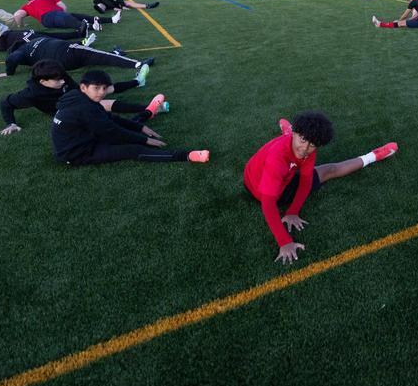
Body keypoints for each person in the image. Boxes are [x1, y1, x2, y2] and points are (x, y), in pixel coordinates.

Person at [242, 111, 398, 263]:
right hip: (261, 189)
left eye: (312, 144)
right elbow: (268, 204)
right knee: (329, 170)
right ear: (296, 134)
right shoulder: (277, 159)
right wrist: (285, 242)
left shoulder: (307, 150)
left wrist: (293, 211)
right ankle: (373, 156)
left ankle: (373, 155)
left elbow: (305, 181)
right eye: (303, 139)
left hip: (262, 173)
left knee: (310, 158)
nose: (305, 148)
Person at [51, 70, 207, 166]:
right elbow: (114, 133)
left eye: (104, 88)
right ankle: (187, 156)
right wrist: (144, 139)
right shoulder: (86, 109)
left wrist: (141, 128)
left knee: (125, 126)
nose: (101, 92)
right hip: (78, 154)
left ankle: (149, 112)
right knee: (132, 149)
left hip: (86, 137)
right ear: (83, 87)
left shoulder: (78, 97)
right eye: (96, 88)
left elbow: (109, 119)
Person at [0, 59, 166, 135]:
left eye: (63, 77)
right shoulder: (30, 94)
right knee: (102, 103)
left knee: (103, 88)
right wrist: (11, 123)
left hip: (74, 97)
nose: (63, 80)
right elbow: (5, 103)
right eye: (58, 80)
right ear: (43, 81)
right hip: (64, 108)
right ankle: (151, 107)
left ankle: (137, 81)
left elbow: (72, 87)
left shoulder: (62, 77)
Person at [2, 34, 154, 78]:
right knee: (101, 57)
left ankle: (117, 54)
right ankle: (138, 64)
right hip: (69, 52)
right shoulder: (26, 47)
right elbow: (13, 59)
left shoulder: (27, 49)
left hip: (65, 63)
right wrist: (8, 72)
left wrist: (9, 73)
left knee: (99, 58)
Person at [13, 0, 118, 34]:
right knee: (76, 18)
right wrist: (63, 15)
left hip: (46, 21)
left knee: (76, 18)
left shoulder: (27, 5)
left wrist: (21, 25)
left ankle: (112, 20)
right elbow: (63, 6)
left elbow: (17, 15)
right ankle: (93, 26)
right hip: (55, 14)